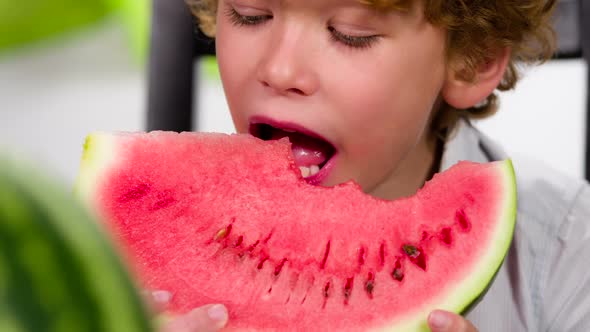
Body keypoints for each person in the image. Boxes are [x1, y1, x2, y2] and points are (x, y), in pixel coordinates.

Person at [149, 0, 590, 330]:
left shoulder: (567, 252)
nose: (280, 70)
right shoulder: (146, 225)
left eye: (349, 33)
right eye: (250, 14)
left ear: (473, 61)